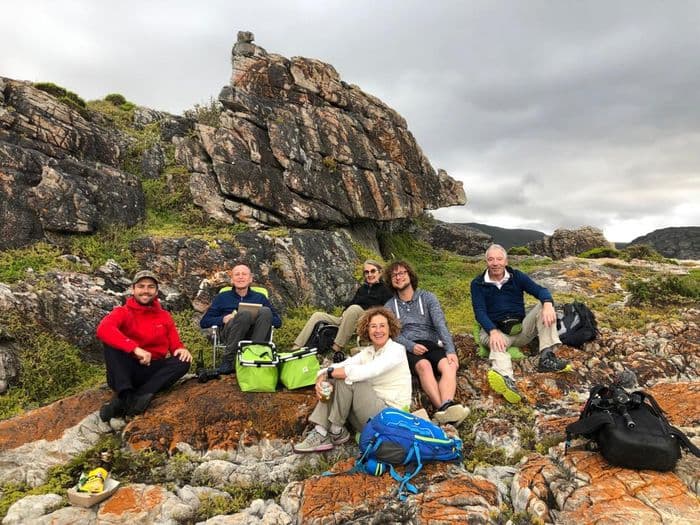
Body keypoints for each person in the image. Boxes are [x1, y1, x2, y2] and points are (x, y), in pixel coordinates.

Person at [293, 307, 411, 453]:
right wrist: (321, 378)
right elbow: (340, 366)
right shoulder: (368, 352)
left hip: (391, 418)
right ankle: (323, 431)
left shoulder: (396, 350)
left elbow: (368, 371)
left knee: (347, 377)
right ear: (367, 330)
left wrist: (331, 373)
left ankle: (334, 430)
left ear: (390, 328)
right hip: (369, 417)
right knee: (334, 379)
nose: (378, 330)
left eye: (382, 326)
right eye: (373, 326)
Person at [471, 244, 572, 404]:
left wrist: (547, 304)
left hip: (519, 330)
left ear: (506, 261)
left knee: (543, 307)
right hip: (495, 332)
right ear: (486, 262)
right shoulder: (478, 284)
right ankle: (507, 379)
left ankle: (546, 356)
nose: (495, 263)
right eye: (491, 259)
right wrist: (492, 331)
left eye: (499, 259)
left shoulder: (516, 276)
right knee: (497, 343)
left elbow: (541, 291)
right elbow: (480, 312)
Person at [96, 270, 192, 421]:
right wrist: (134, 348)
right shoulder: (123, 312)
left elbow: (175, 345)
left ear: (156, 291)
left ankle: (141, 396)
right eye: (141, 286)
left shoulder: (164, 316)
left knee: (183, 361)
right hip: (126, 370)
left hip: (152, 371)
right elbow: (103, 329)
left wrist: (181, 349)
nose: (146, 291)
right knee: (111, 343)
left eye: (150, 287)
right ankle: (126, 396)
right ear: (133, 289)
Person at [383, 260, 469, 426]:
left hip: (431, 342)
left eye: (402, 273)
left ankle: (446, 407)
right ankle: (444, 410)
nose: (398, 277)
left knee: (449, 365)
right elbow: (393, 334)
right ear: (390, 281)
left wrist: (450, 350)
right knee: (424, 367)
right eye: (394, 275)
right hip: (408, 347)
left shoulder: (428, 297)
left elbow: (440, 324)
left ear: (410, 275)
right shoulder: (389, 306)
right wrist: (411, 346)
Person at [292, 259, 393, 353]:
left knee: (354, 309)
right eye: (367, 272)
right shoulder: (362, 289)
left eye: (373, 271)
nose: (369, 274)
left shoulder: (385, 290)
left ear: (379, 272)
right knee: (318, 315)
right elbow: (351, 303)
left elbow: (386, 312)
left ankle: (336, 348)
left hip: (368, 320)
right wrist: (345, 312)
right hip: (349, 318)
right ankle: (296, 347)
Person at [199, 263, 282, 374]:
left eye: (244, 274)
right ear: (232, 279)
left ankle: (256, 354)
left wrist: (259, 316)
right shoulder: (222, 297)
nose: (241, 277)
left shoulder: (260, 298)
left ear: (250, 279)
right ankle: (228, 361)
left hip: (256, 334)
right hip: (230, 333)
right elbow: (204, 322)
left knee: (265, 311)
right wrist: (223, 319)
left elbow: (278, 322)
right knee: (244, 315)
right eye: (237, 274)